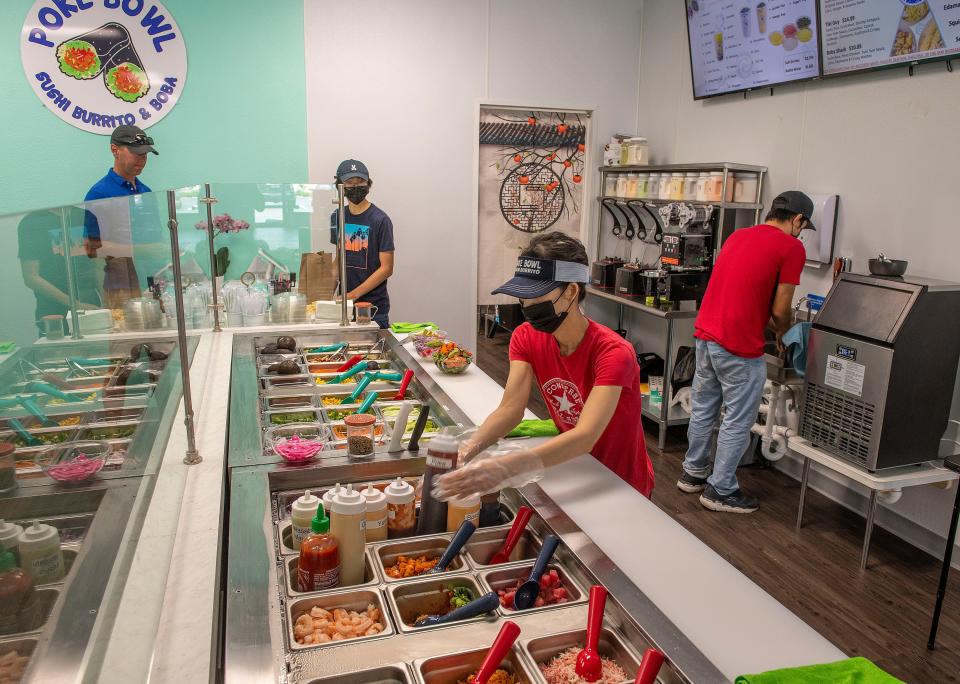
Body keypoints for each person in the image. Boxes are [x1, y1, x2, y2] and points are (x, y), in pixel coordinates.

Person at [434, 231, 654, 501]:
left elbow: (586, 435)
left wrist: (508, 467)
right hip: (573, 465)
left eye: (536, 297)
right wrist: (469, 449)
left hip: (620, 481)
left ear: (571, 292)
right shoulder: (526, 337)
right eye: (522, 297)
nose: (527, 306)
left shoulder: (613, 352)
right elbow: (510, 410)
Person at [677, 191, 815, 513]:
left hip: (707, 335)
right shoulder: (792, 247)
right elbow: (782, 310)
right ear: (798, 220)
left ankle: (693, 472)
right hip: (737, 344)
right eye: (803, 226)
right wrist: (784, 333)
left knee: (704, 407)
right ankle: (720, 490)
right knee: (738, 419)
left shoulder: (739, 236)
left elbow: (746, 291)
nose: (801, 233)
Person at [83, 125, 158, 309]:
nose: (142, 159)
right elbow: (91, 249)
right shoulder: (100, 193)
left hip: (152, 279)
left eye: (145, 154)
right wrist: (142, 250)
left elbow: (156, 239)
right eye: (136, 152)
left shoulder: (146, 192)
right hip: (119, 286)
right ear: (115, 150)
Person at [330, 159, 394, 328]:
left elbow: (386, 268)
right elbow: (339, 260)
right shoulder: (338, 216)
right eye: (349, 183)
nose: (356, 186)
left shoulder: (380, 220)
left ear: (368, 183)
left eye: (360, 182)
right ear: (340, 186)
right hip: (344, 309)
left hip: (373, 310)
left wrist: (352, 295)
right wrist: (325, 296)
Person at [18, 208, 101, 335]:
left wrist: (107, 302)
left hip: (91, 307)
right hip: (54, 315)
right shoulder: (32, 222)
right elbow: (31, 277)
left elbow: (97, 265)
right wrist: (76, 305)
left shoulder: (84, 216)